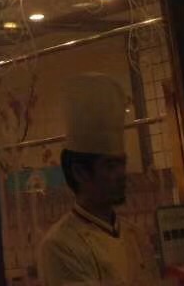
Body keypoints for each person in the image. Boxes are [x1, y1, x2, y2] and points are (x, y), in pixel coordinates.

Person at [39, 73, 148, 285]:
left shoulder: (135, 235)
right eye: (110, 165)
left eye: (122, 163)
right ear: (80, 173)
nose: (122, 173)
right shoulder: (60, 245)